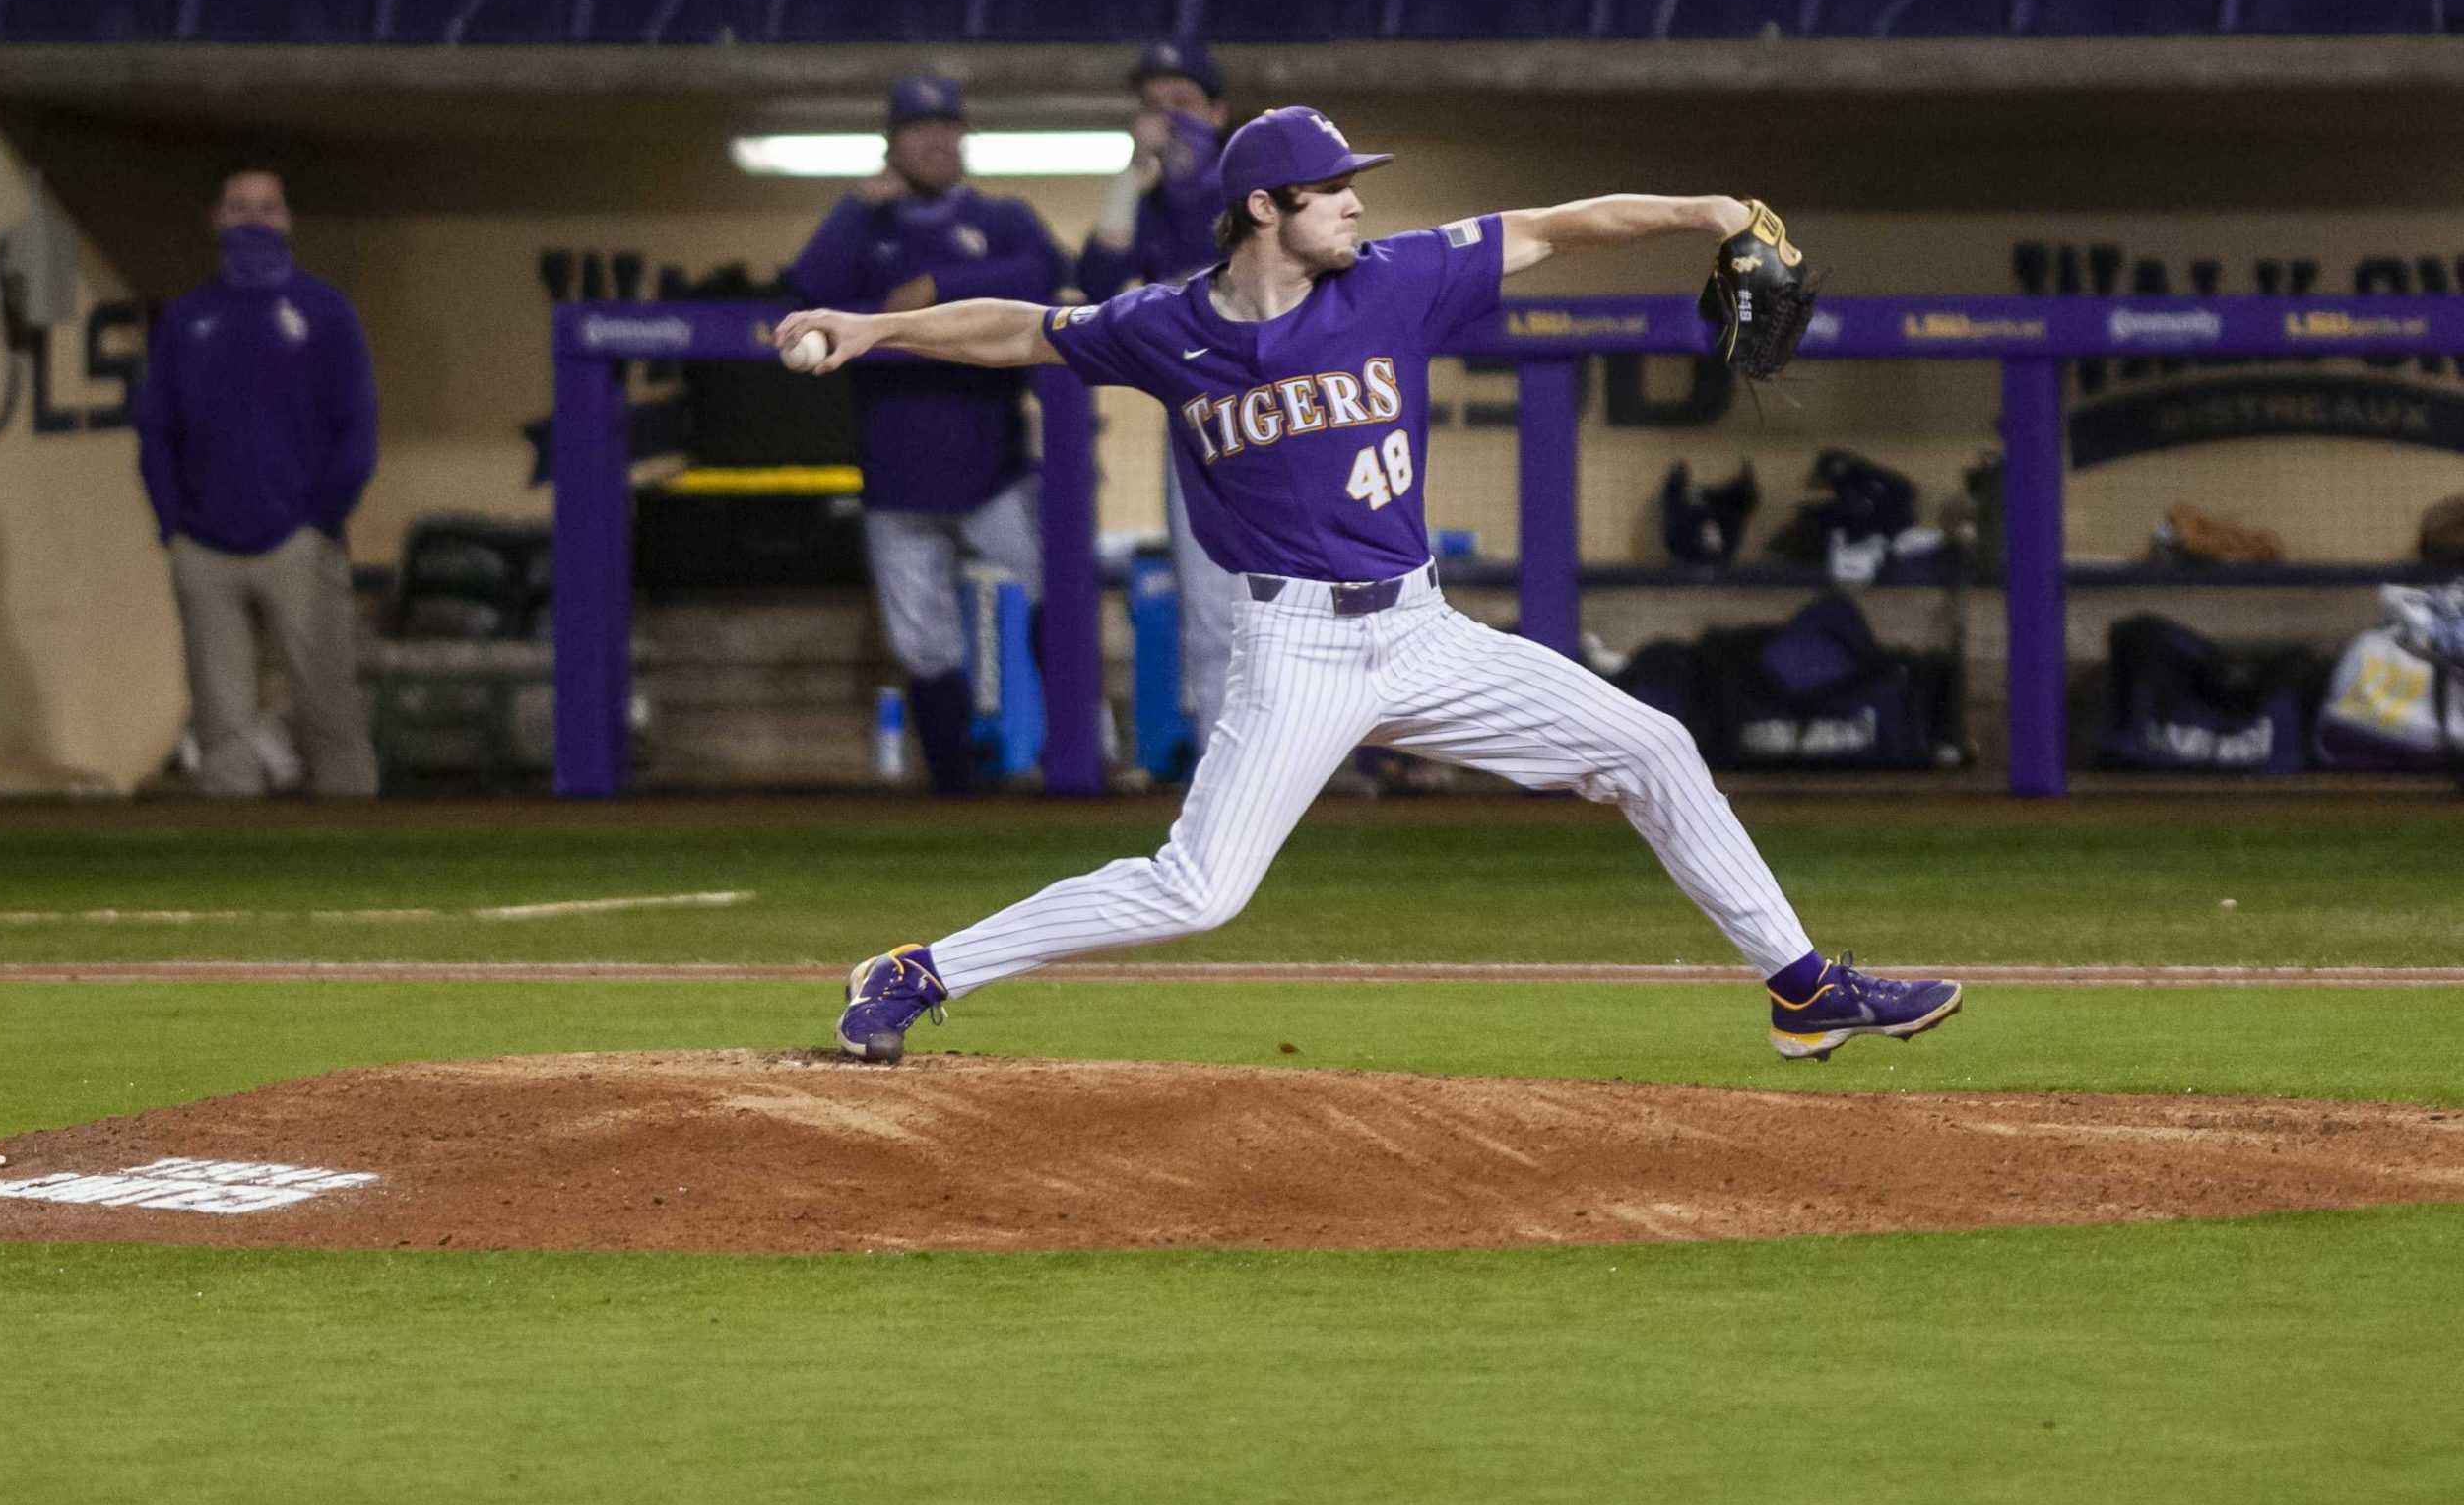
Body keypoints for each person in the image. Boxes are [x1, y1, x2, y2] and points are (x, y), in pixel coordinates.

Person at [777, 105, 1965, 1065]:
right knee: (1197, 891)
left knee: (1652, 746)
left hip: (1422, 629)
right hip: (1293, 649)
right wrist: (872, 331)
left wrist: (1707, 210)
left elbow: (1564, 220)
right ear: (1264, 209)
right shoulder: (1165, 328)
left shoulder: (1398, 279)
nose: (1357, 201)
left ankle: (1803, 991)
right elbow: (1017, 330)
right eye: (1334, 187)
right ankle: (918, 971)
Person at [785, 77, 1069, 797]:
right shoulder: (867, 227)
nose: (936, 140)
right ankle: (954, 792)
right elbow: (803, 289)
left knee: (1054, 590)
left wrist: (938, 284)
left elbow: (1044, 272)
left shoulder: (1000, 217)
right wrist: (855, 207)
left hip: (992, 464)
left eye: (947, 125)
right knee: (922, 638)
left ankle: (1073, 763)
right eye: (918, 128)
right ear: (892, 142)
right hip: (896, 465)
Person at [136, 169, 379, 798]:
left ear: (287, 221)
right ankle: (231, 868)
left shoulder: (325, 312)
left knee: (331, 713)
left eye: (266, 207)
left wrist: (323, 517)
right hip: (204, 546)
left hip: (299, 542)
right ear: (216, 218)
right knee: (222, 725)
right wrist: (173, 522)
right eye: (240, 206)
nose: (253, 219)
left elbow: (357, 427)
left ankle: (364, 857)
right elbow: (156, 429)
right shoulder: (186, 320)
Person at [1075, 41, 1245, 758]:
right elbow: (1091, 282)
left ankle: (1336, 762)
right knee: (1209, 618)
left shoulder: (1254, 181)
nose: (1166, 121)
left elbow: (1216, 195)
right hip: (1202, 426)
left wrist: (1187, 152)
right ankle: (1223, 778)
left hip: (1298, 418)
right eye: (1154, 106)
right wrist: (1128, 177)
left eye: (1182, 104)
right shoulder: (1149, 205)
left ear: (1216, 112)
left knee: (1323, 605)